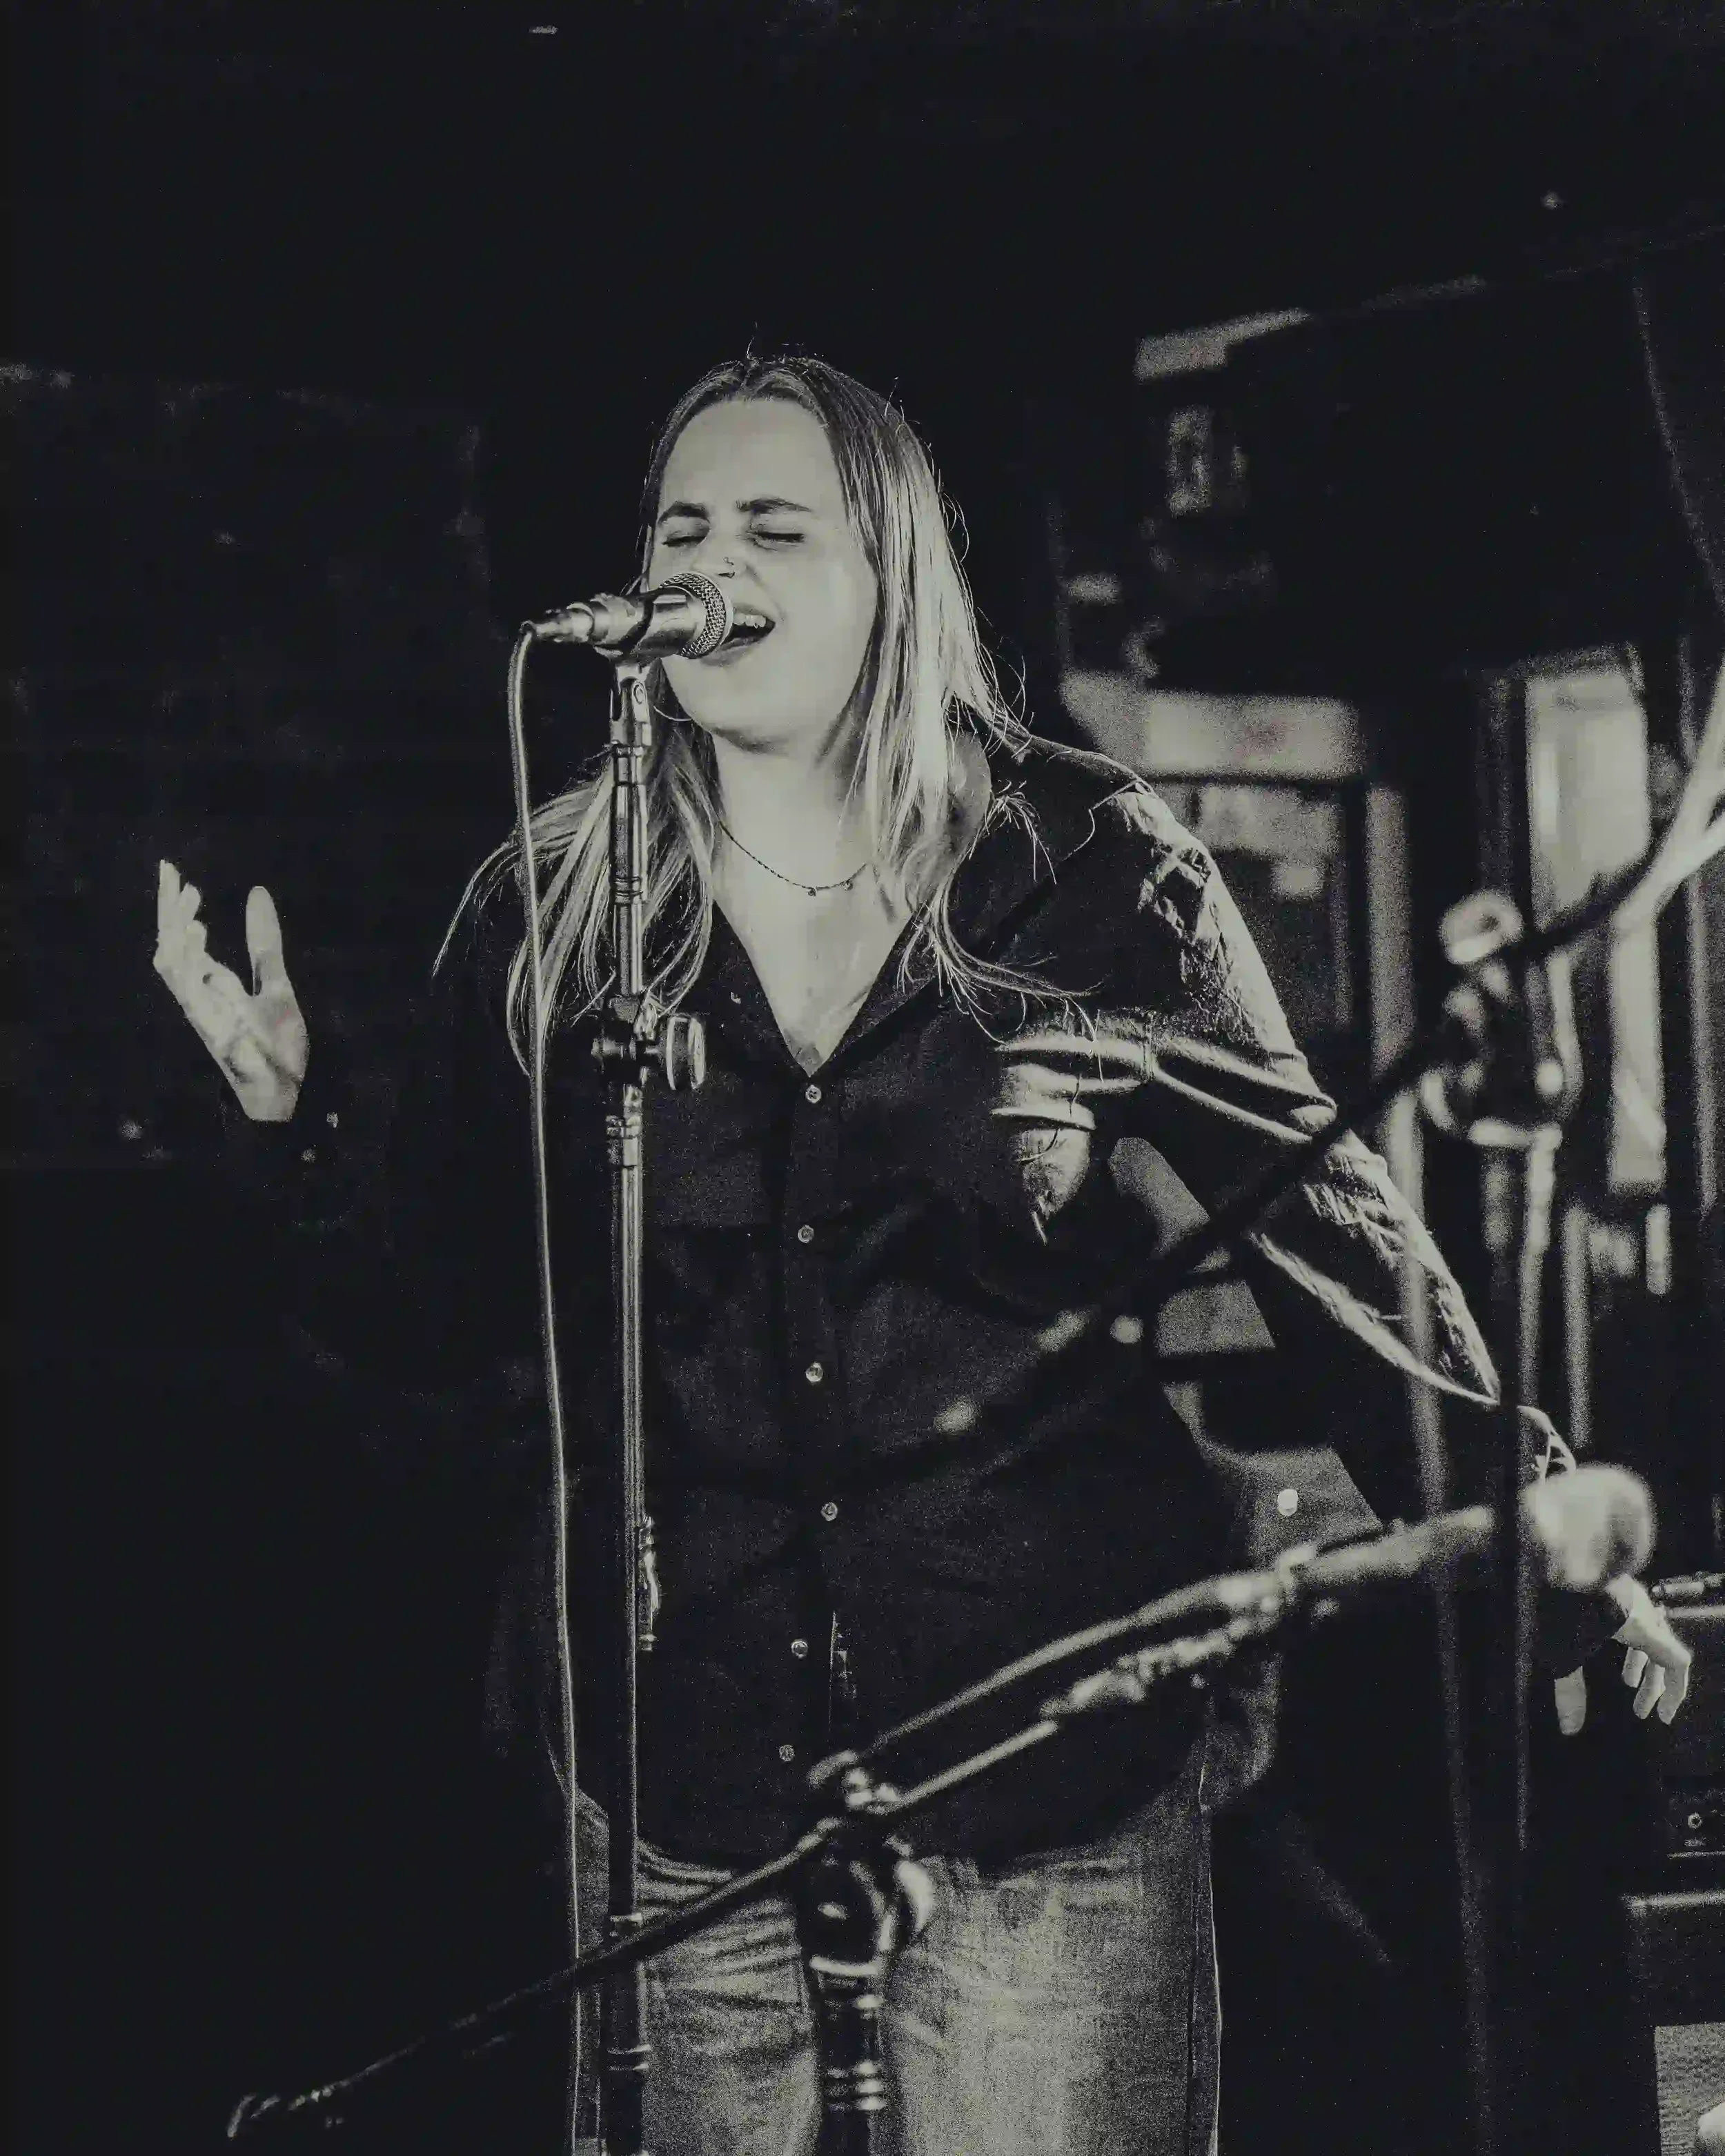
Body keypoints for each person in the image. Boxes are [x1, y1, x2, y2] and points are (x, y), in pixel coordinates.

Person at [154, 352, 1690, 2156]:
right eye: (686, 526)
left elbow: (1322, 1224)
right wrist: (285, 1122)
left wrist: (1537, 1520)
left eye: (775, 528)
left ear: (888, 571)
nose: (713, 567)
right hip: (684, 1759)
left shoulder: (1082, 863)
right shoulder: (554, 905)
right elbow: (432, 1298)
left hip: (1044, 1737)